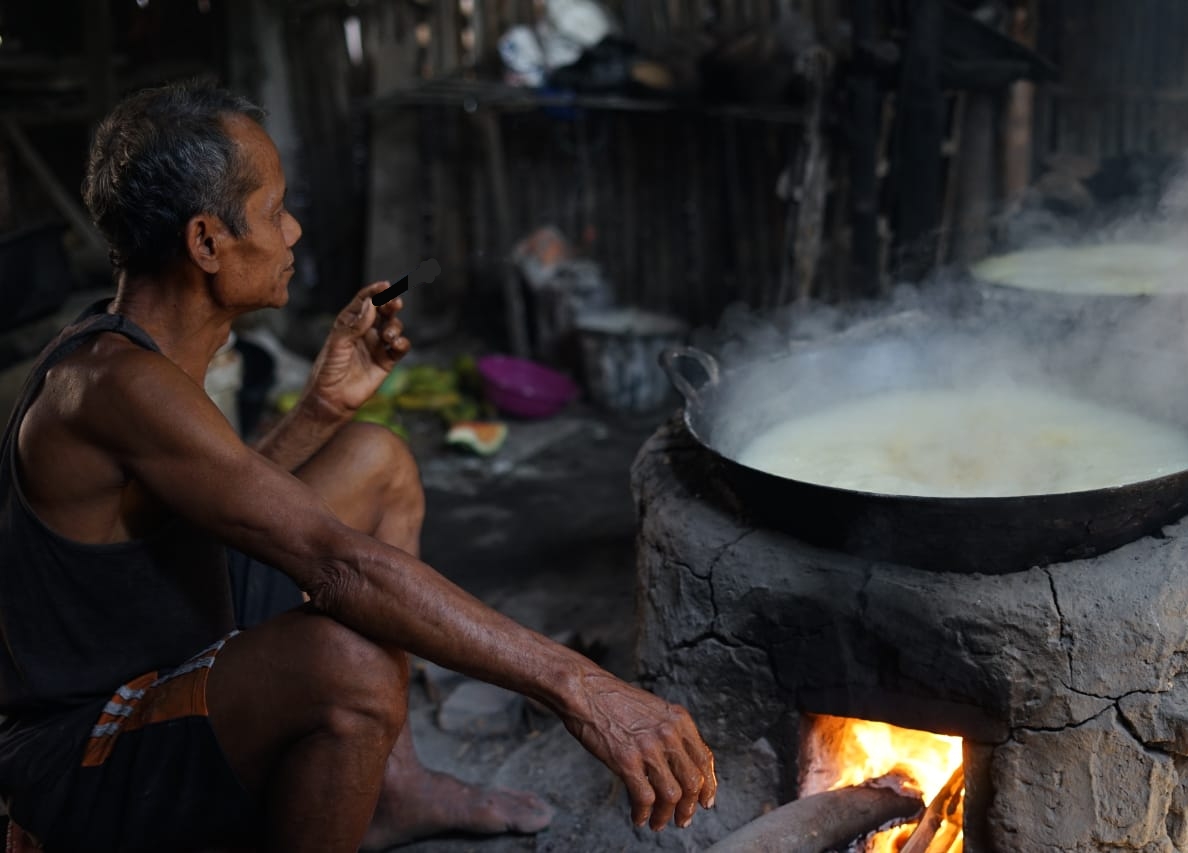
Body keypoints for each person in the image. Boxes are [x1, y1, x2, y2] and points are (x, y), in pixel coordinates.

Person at [0, 79, 716, 853]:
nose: (295, 230)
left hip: (166, 645)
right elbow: (337, 564)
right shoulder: (117, 384)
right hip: (83, 752)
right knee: (350, 663)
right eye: (274, 211)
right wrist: (582, 686)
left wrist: (321, 410)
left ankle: (392, 791)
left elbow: (212, 503)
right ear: (206, 243)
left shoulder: (132, 351)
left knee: (375, 458)